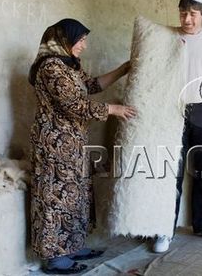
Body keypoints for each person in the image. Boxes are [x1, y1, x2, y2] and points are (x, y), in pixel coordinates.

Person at [29, 18, 136, 274]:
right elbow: (75, 104)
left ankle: (72, 247)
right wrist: (113, 109)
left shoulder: (68, 66)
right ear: (63, 40)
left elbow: (90, 86)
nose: (83, 46)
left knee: (75, 197)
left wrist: (123, 69)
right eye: (80, 40)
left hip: (72, 143)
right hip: (54, 144)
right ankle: (56, 259)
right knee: (56, 199)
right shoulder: (51, 67)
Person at [152, 0, 202, 253]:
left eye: (193, 14)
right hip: (173, 109)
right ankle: (164, 229)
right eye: (183, 13)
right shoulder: (168, 38)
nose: (187, 19)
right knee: (171, 170)